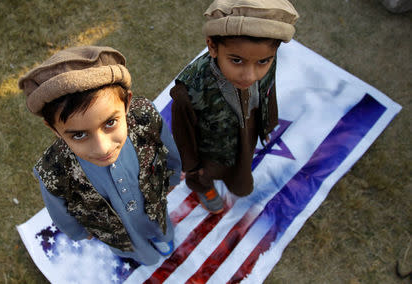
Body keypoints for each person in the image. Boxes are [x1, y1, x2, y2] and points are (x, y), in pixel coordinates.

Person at [18, 46, 182, 265]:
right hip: (114, 230)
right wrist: (78, 232)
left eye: (110, 123)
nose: (103, 148)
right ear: (54, 129)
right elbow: (59, 211)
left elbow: (168, 149)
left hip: (153, 205)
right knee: (134, 248)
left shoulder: (145, 117)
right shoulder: (53, 172)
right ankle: (144, 256)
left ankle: (162, 238)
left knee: (160, 225)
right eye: (79, 135)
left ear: (126, 104)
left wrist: (172, 177)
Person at [170, 0, 299, 214]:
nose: (250, 76)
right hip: (210, 148)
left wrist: (266, 124)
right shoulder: (189, 91)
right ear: (212, 46)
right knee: (206, 173)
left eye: (263, 62)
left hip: (246, 130)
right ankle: (203, 187)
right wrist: (191, 166)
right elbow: (184, 135)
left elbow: (268, 91)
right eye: (237, 61)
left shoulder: (268, 59)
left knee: (240, 165)